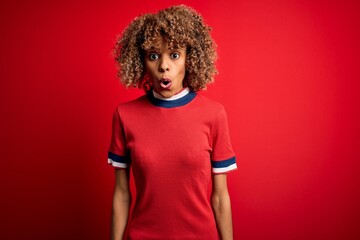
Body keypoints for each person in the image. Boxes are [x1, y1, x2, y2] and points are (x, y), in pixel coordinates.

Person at [108, 5, 237, 240]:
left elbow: (220, 197)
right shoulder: (125, 115)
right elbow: (121, 194)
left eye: (174, 55)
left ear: (190, 59)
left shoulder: (214, 114)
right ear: (141, 61)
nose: (164, 66)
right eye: (154, 56)